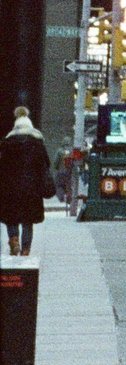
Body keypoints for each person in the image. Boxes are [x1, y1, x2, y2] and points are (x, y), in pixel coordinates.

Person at [1, 108, 49, 257]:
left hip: (11, 188)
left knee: (12, 217)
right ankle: (26, 250)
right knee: (28, 221)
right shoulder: (37, 144)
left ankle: (14, 240)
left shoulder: (7, 143)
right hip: (32, 188)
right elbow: (45, 166)